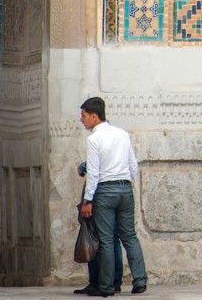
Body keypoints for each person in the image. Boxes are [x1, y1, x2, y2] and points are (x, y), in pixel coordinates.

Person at [78, 97, 148, 297]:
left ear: (94, 116)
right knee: (129, 237)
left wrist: (87, 200)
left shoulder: (93, 139)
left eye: (83, 116)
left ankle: (106, 286)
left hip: (105, 192)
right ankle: (140, 280)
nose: (82, 120)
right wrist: (128, 187)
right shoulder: (122, 134)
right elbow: (133, 166)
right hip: (125, 189)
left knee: (107, 240)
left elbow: (94, 173)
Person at [74, 161, 122, 295]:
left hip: (99, 191)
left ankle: (98, 281)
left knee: (94, 236)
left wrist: (83, 167)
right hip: (119, 191)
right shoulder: (122, 141)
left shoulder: (98, 140)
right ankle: (115, 281)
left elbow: (95, 165)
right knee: (113, 238)